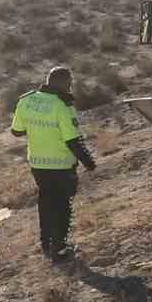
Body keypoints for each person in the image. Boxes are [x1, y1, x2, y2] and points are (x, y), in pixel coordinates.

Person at [10, 65, 96, 261]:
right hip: (61, 165)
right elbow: (72, 140)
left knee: (45, 202)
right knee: (62, 205)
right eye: (70, 84)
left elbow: (16, 131)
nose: (71, 88)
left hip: (38, 164)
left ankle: (46, 243)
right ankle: (59, 247)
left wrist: (36, 127)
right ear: (64, 83)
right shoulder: (62, 105)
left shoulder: (26, 100)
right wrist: (88, 162)